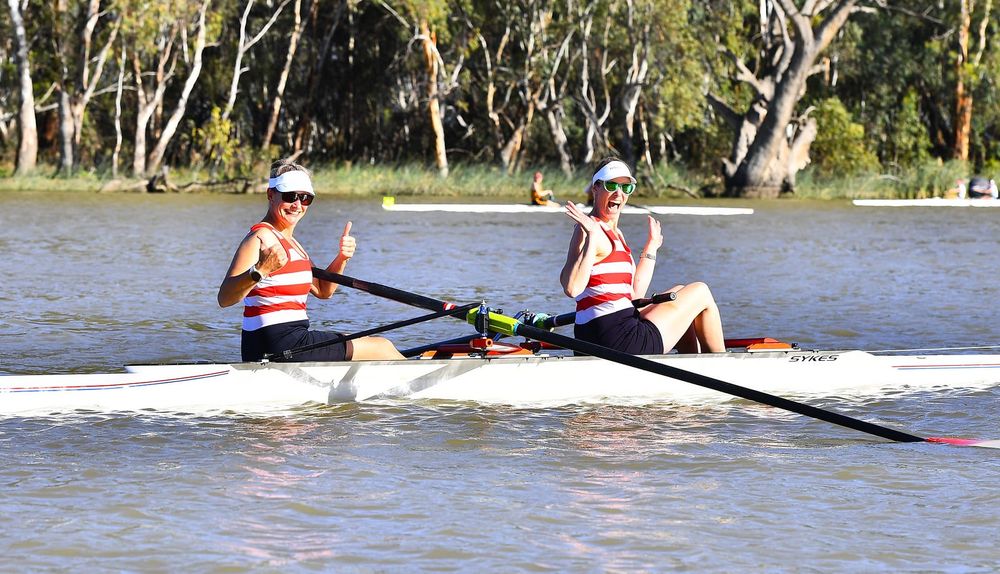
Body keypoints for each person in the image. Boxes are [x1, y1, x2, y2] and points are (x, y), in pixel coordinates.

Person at [218, 159, 403, 362]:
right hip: (275, 343)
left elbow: (324, 291)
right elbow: (225, 298)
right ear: (271, 195)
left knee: (366, 341)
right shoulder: (260, 237)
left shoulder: (294, 244)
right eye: (290, 196)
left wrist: (342, 258)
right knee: (382, 347)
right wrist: (260, 270)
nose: (297, 205)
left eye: (305, 198)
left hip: (292, 339)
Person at [559, 158, 726, 355]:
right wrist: (593, 237)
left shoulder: (612, 233)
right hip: (616, 338)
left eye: (626, 188)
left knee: (680, 292)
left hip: (593, 335)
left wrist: (651, 248)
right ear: (595, 188)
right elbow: (572, 288)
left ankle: (688, 365)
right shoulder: (589, 230)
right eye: (611, 185)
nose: (618, 193)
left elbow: (634, 295)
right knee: (701, 291)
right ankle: (718, 364)